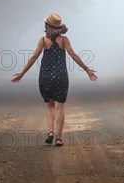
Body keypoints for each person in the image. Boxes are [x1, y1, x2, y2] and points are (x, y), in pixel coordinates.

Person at [11, 12, 98, 147]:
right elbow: (73, 55)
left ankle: (50, 132)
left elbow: (34, 57)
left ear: (47, 25)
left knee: (50, 105)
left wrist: (22, 73)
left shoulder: (43, 40)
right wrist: (86, 69)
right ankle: (59, 138)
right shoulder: (64, 40)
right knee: (59, 108)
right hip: (61, 76)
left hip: (45, 76)